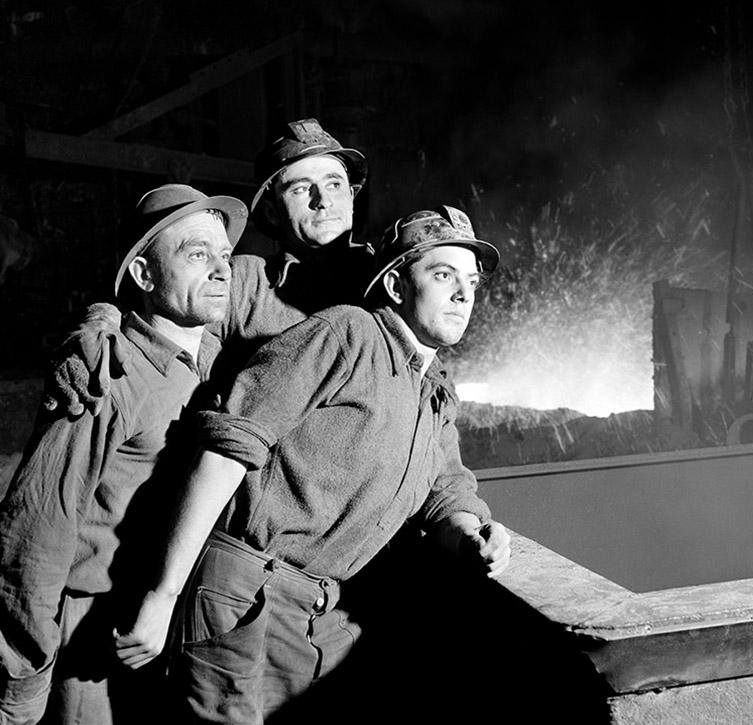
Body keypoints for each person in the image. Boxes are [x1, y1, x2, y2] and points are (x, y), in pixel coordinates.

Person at [114, 206, 512, 723]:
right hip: (244, 591)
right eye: (442, 275)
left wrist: (473, 533)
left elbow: (445, 489)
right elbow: (229, 445)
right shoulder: (345, 334)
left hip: (322, 607)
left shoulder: (434, 388)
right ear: (395, 284)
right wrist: (163, 594)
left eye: (472, 282)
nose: (463, 295)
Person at [0, 185, 248, 724]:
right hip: (94, 632)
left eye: (224, 255)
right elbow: (38, 526)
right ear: (144, 275)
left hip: (170, 621)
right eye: (197, 254)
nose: (222, 270)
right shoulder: (106, 375)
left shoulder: (213, 362)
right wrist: (21, 683)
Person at [45, 118, 372, 416]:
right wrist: (97, 329)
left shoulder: (391, 275)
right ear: (272, 213)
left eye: (334, 184)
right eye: (301, 189)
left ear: (352, 196)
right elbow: (150, 301)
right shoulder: (247, 282)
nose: (323, 201)